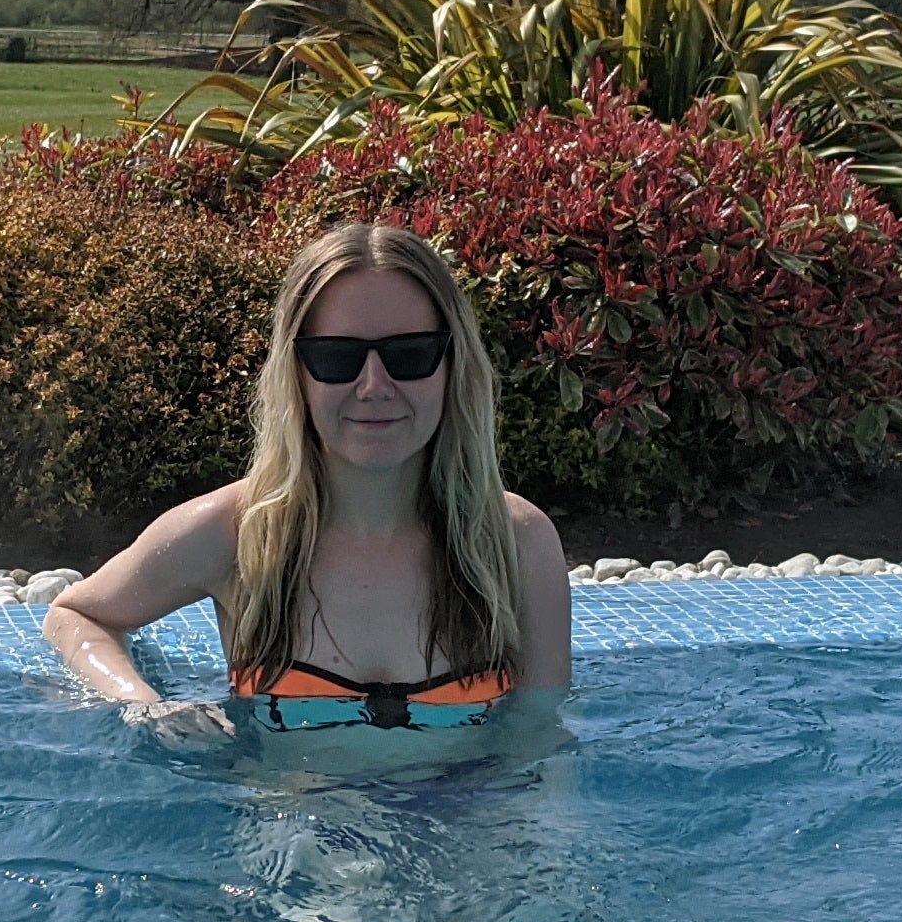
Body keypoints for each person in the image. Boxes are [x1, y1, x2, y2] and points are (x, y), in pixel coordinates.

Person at [45, 221, 571, 741]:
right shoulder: (235, 535)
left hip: (468, 821)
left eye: (410, 353)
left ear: (454, 365)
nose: (373, 386)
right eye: (337, 357)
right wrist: (145, 707)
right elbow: (76, 616)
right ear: (296, 372)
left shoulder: (514, 544)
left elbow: (538, 743)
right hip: (288, 821)